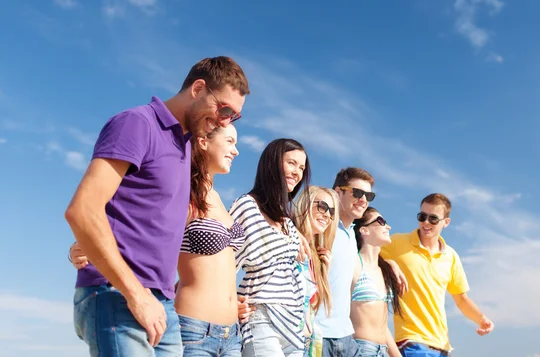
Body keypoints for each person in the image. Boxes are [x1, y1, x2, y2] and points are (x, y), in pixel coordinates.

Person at [64, 56, 249, 357]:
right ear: (198, 88)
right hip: (117, 295)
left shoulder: (185, 147)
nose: (225, 121)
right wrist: (136, 294)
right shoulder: (138, 123)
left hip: (163, 306)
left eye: (234, 117)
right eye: (224, 109)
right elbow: (83, 210)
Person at [380, 193, 494, 357]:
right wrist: (390, 263)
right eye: (422, 216)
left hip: (442, 346)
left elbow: (461, 299)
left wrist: (481, 318)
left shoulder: (451, 256)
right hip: (411, 342)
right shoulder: (397, 243)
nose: (426, 222)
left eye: (433, 218)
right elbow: (367, 254)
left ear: (446, 222)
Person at [231, 138, 311, 357]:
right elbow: (224, 260)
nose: (297, 172)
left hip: (292, 325)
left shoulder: (286, 220)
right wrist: (227, 300)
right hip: (261, 317)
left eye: (302, 167)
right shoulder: (247, 206)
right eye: (291, 163)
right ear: (272, 163)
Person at [315, 167, 406, 357]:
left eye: (368, 195)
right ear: (338, 192)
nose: (363, 199)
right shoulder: (323, 229)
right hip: (321, 336)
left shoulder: (349, 236)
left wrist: (388, 263)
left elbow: (364, 258)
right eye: (357, 193)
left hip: (345, 339)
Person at [293, 186, 339, 357]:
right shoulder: (287, 240)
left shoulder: (317, 258)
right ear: (305, 205)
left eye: (331, 211)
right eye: (322, 206)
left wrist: (324, 273)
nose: (327, 215)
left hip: (306, 345)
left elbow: (311, 309)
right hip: (282, 341)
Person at [351, 208, 402, 357]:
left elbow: (382, 326)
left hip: (383, 351)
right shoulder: (353, 263)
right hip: (360, 349)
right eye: (381, 221)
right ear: (364, 230)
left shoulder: (384, 271)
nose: (388, 226)